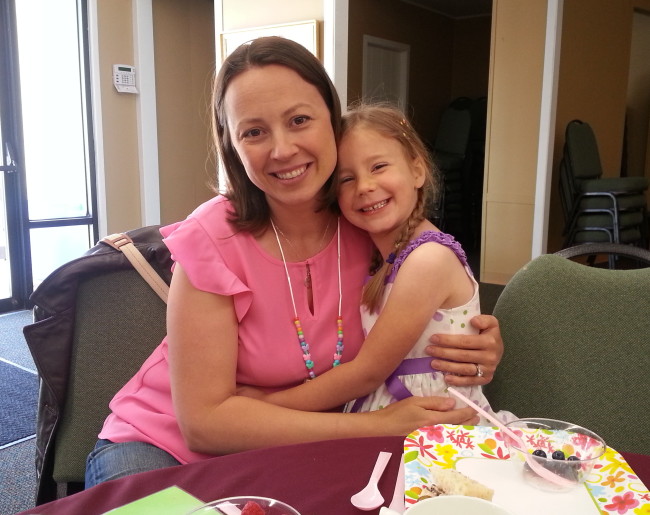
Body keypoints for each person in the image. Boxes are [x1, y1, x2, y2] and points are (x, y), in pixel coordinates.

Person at [85, 36, 504, 488]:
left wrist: (470, 344)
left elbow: (428, 301)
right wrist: (376, 427)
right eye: (254, 132)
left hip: (297, 448)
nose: (282, 150)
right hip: (162, 449)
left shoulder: (367, 223)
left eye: (299, 120)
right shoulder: (212, 240)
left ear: (332, 122)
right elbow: (204, 424)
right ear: (233, 145)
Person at [238, 104, 515, 424]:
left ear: (417, 170)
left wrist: (267, 403)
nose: (365, 186)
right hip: (389, 413)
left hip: (436, 426)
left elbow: (368, 372)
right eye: (346, 179)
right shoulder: (378, 256)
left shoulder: (427, 260)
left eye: (379, 166)